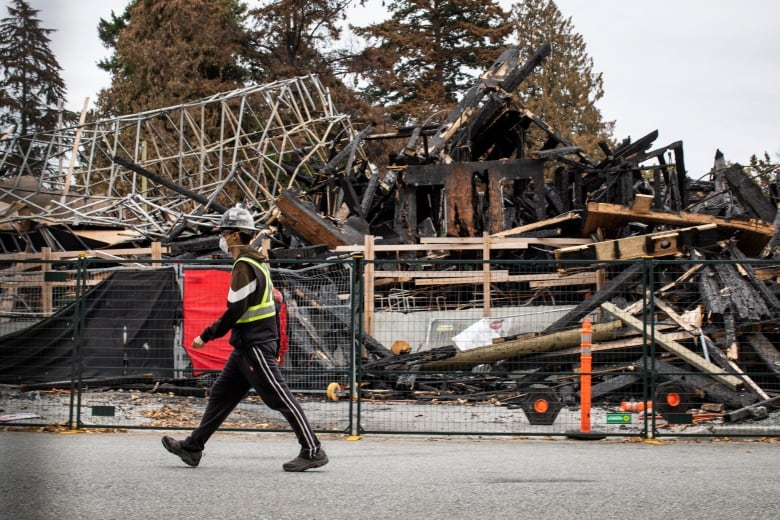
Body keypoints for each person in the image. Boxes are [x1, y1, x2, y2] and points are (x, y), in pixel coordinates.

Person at [162, 204, 327, 472]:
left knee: (280, 398)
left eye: (225, 233)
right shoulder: (257, 264)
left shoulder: (244, 266)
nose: (222, 239)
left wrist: (207, 335)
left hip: (255, 346)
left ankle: (313, 450)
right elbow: (272, 304)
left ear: (236, 236)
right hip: (246, 347)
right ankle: (193, 448)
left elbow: (235, 310)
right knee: (221, 396)